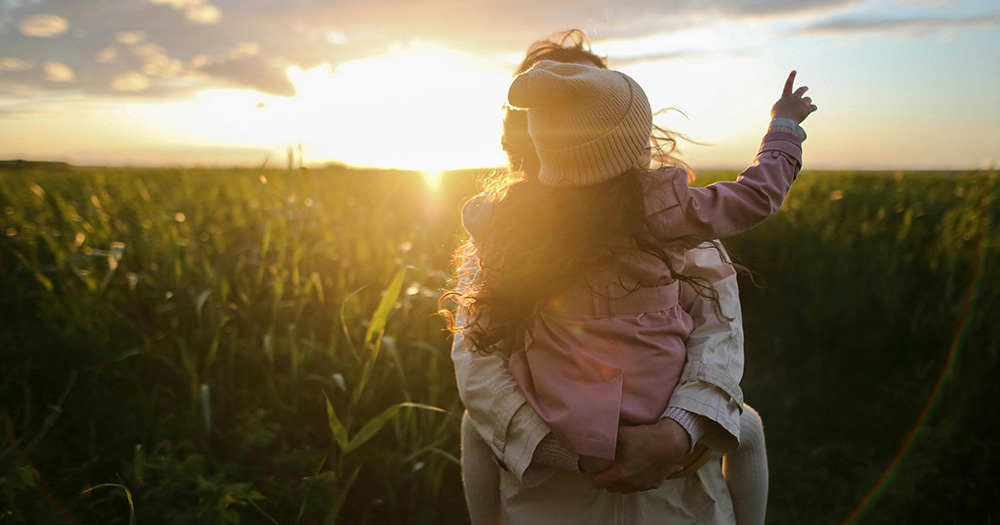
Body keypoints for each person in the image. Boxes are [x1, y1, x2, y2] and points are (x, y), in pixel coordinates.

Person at [448, 31, 814, 524]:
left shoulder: (508, 223)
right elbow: (479, 361)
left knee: (475, 426)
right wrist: (784, 130)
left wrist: (674, 433)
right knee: (747, 428)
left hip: (669, 486)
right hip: (557, 491)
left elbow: (718, 333)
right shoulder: (668, 214)